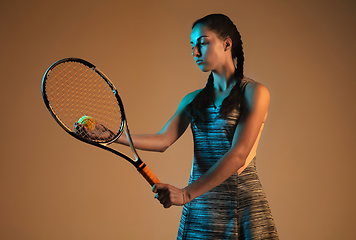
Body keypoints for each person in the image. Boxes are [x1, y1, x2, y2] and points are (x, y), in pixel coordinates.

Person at [115, 13, 279, 240]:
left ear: (227, 43)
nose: (195, 53)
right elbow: (163, 140)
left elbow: (238, 155)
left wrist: (185, 194)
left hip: (239, 205)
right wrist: (113, 136)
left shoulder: (254, 93)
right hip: (200, 206)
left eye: (202, 43)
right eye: (192, 46)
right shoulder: (193, 99)